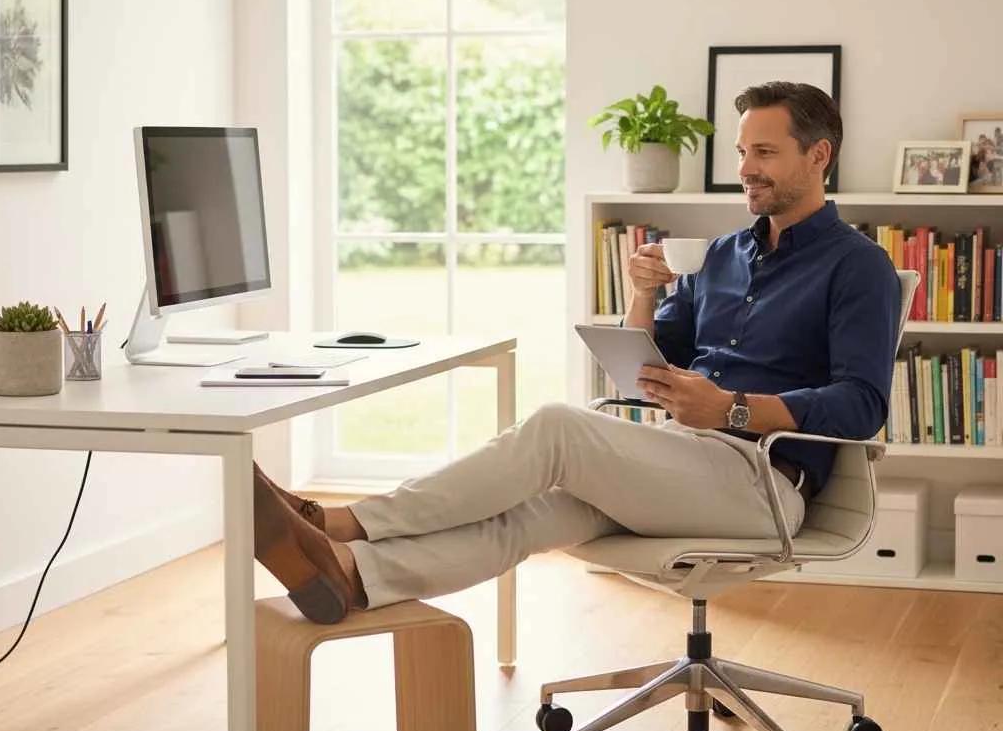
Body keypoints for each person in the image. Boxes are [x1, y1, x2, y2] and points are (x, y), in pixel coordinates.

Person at [253, 81, 901, 625]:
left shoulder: (858, 267)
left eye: (765, 151)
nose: (745, 168)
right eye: (740, 151)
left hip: (766, 484)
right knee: (534, 518)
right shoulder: (723, 254)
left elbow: (860, 405)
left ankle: (341, 524)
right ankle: (351, 577)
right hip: (687, 464)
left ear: (819, 156)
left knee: (558, 427)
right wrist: (643, 295)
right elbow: (651, 358)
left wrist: (732, 409)